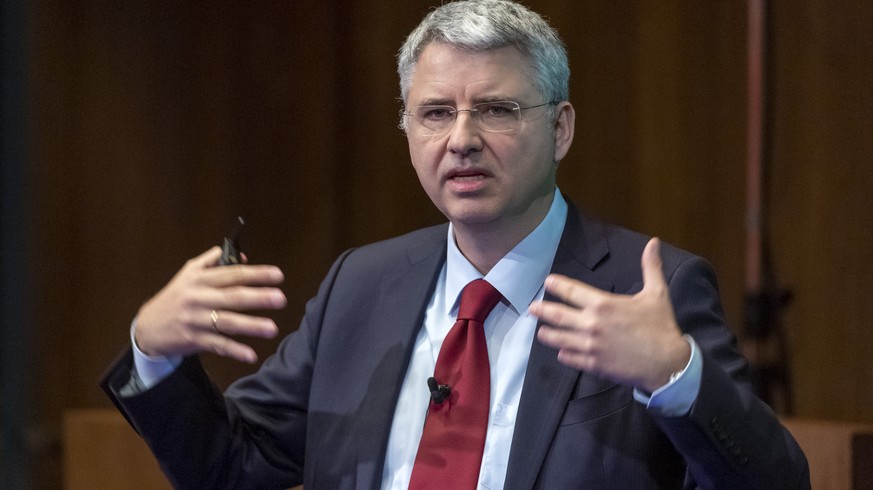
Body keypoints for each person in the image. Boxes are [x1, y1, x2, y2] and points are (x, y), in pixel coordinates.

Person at [102, 1, 810, 488]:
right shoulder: (361, 284)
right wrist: (154, 352)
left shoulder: (645, 286)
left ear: (560, 129)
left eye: (496, 109)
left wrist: (674, 377)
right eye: (435, 113)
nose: (462, 138)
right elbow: (233, 468)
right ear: (407, 132)